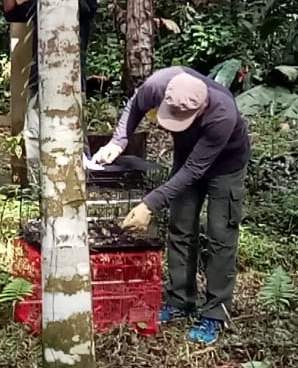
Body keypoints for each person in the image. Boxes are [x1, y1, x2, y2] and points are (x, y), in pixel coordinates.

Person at [93, 67, 250, 345]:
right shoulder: (160, 83)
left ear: (200, 110)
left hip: (225, 167)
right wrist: (118, 141)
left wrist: (149, 204)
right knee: (180, 226)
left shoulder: (222, 114)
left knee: (220, 235)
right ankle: (180, 300)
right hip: (186, 157)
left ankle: (215, 312)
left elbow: (193, 170)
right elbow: (135, 104)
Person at [2, 0, 99, 178]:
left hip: (69, 80)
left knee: (73, 136)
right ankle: (40, 188)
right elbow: (12, 13)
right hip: (39, 80)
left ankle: (81, 186)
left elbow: (70, 6)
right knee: (34, 135)